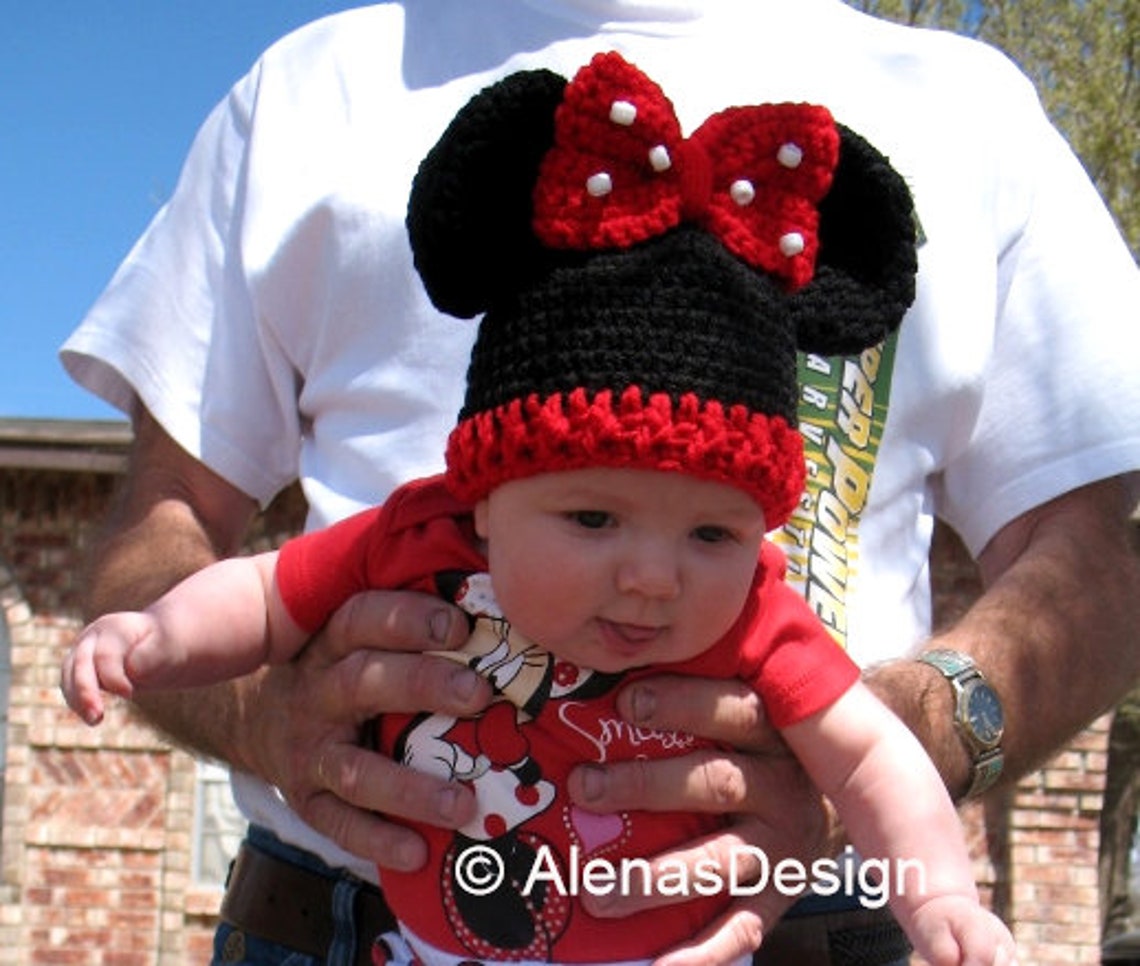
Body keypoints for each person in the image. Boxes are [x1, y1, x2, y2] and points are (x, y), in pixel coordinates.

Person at [59, 2, 1140, 965]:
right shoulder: (312, 85)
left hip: (779, 931)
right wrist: (196, 674)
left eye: (714, 534)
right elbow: (211, 561)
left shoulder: (967, 107)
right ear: (483, 499)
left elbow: (1092, 570)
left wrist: (927, 849)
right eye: (591, 517)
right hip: (355, 916)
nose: (652, 576)